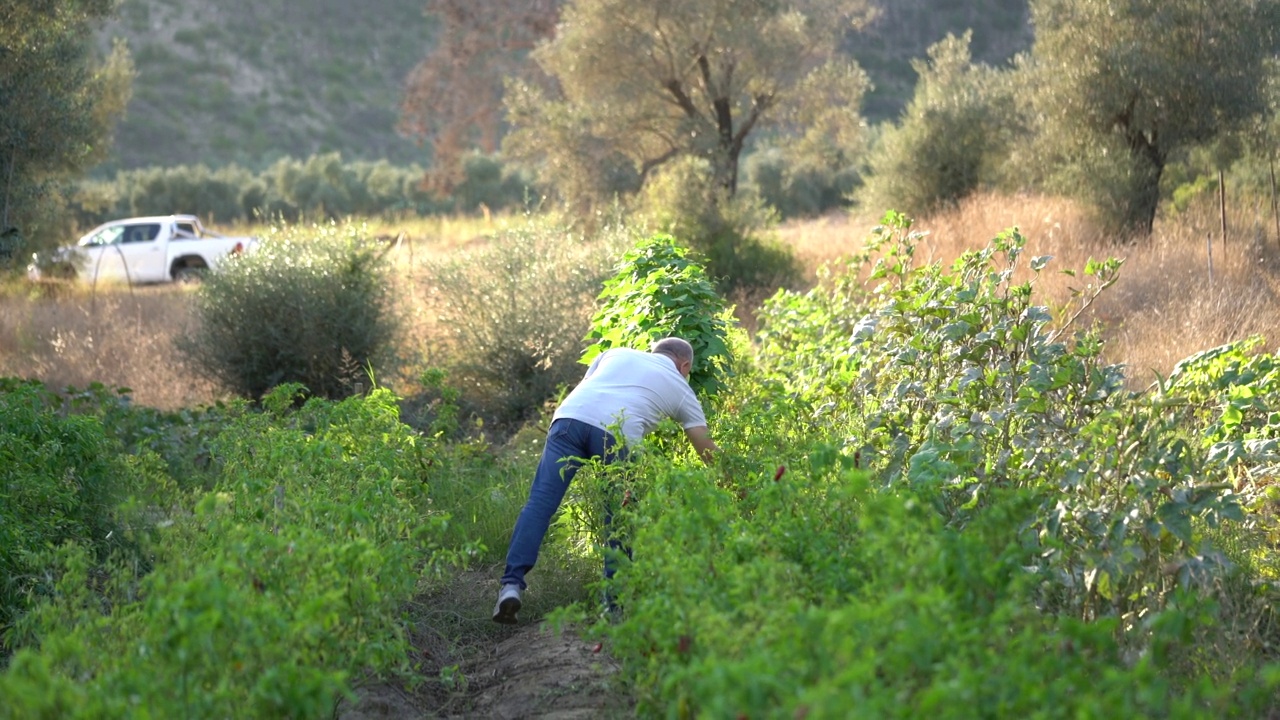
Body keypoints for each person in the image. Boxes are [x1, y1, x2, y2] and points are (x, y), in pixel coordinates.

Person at [492, 337, 718, 624]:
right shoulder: (680, 386)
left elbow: (589, 388)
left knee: (540, 504)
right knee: (620, 518)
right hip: (616, 434)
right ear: (685, 365)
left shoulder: (615, 353)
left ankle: (511, 585)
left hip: (568, 419)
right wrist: (737, 486)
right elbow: (706, 449)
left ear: (655, 352)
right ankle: (613, 607)